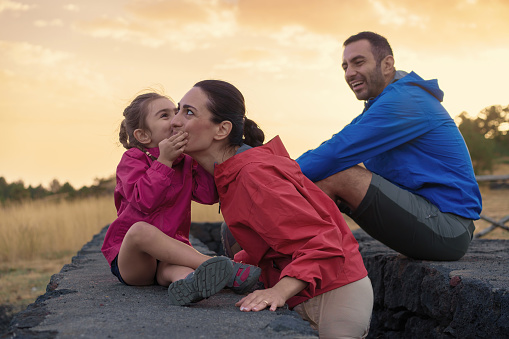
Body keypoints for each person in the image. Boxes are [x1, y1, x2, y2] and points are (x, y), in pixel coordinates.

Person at [171, 80, 373, 338]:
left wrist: (277, 292)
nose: (175, 121)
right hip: (307, 289)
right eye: (177, 110)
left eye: (188, 112)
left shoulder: (254, 176)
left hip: (332, 295)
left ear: (222, 129)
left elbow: (323, 243)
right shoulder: (233, 173)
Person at [296, 31, 482, 261]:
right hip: (428, 220)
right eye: (344, 66)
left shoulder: (406, 100)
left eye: (358, 62)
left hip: (448, 229)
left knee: (339, 175)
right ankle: (288, 259)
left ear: (387, 64)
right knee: (322, 175)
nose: (349, 72)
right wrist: (276, 167)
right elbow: (332, 145)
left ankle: (302, 263)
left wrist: (273, 175)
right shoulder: (383, 104)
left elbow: (335, 153)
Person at [101, 92, 261, 306]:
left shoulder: (185, 162)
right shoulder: (133, 159)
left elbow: (208, 195)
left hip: (169, 254)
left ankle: (189, 284)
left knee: (176, 269)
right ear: (143, 136)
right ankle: (228, 268)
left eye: (177, 112)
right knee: (140, 230)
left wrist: (198, 157)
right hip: (133, 259)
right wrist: (164, 161)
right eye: (165, 116)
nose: (176, 120)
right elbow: (143, 201)